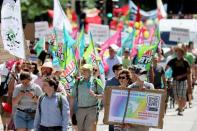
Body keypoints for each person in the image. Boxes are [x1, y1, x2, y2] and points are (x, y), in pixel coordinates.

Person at [70, 64, 103, 131]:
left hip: (92, 109)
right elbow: (72, 95)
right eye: (82, 70)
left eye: (86, 70)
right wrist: (71, 110)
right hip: (80, 110)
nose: (83, 72)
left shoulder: (96, 81)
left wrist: (95, 95)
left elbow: (103, 95)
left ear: (90, 71)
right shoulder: (78, 81)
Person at [165, 47, 192, 116]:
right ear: (176, 53)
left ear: (183, 54)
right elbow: (166, 67)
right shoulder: (173, 61)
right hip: (175, 80)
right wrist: (165, 74)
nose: (179, 54)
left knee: (182, 96)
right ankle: (180, 107)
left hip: (183, 81)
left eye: (180, 53)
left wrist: (184, 78)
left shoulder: (185, 62)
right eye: (177, 52)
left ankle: (180, 110)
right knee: (176, 95)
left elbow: (189, 72)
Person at [105, 64, 122, 131]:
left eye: (122, 69)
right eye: (119, 69)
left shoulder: (126, 80)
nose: (121, 71)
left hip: (122, 108)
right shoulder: (109, 81)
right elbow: (106, 95)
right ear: (115, 71)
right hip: (112, 108)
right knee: (112, 127)